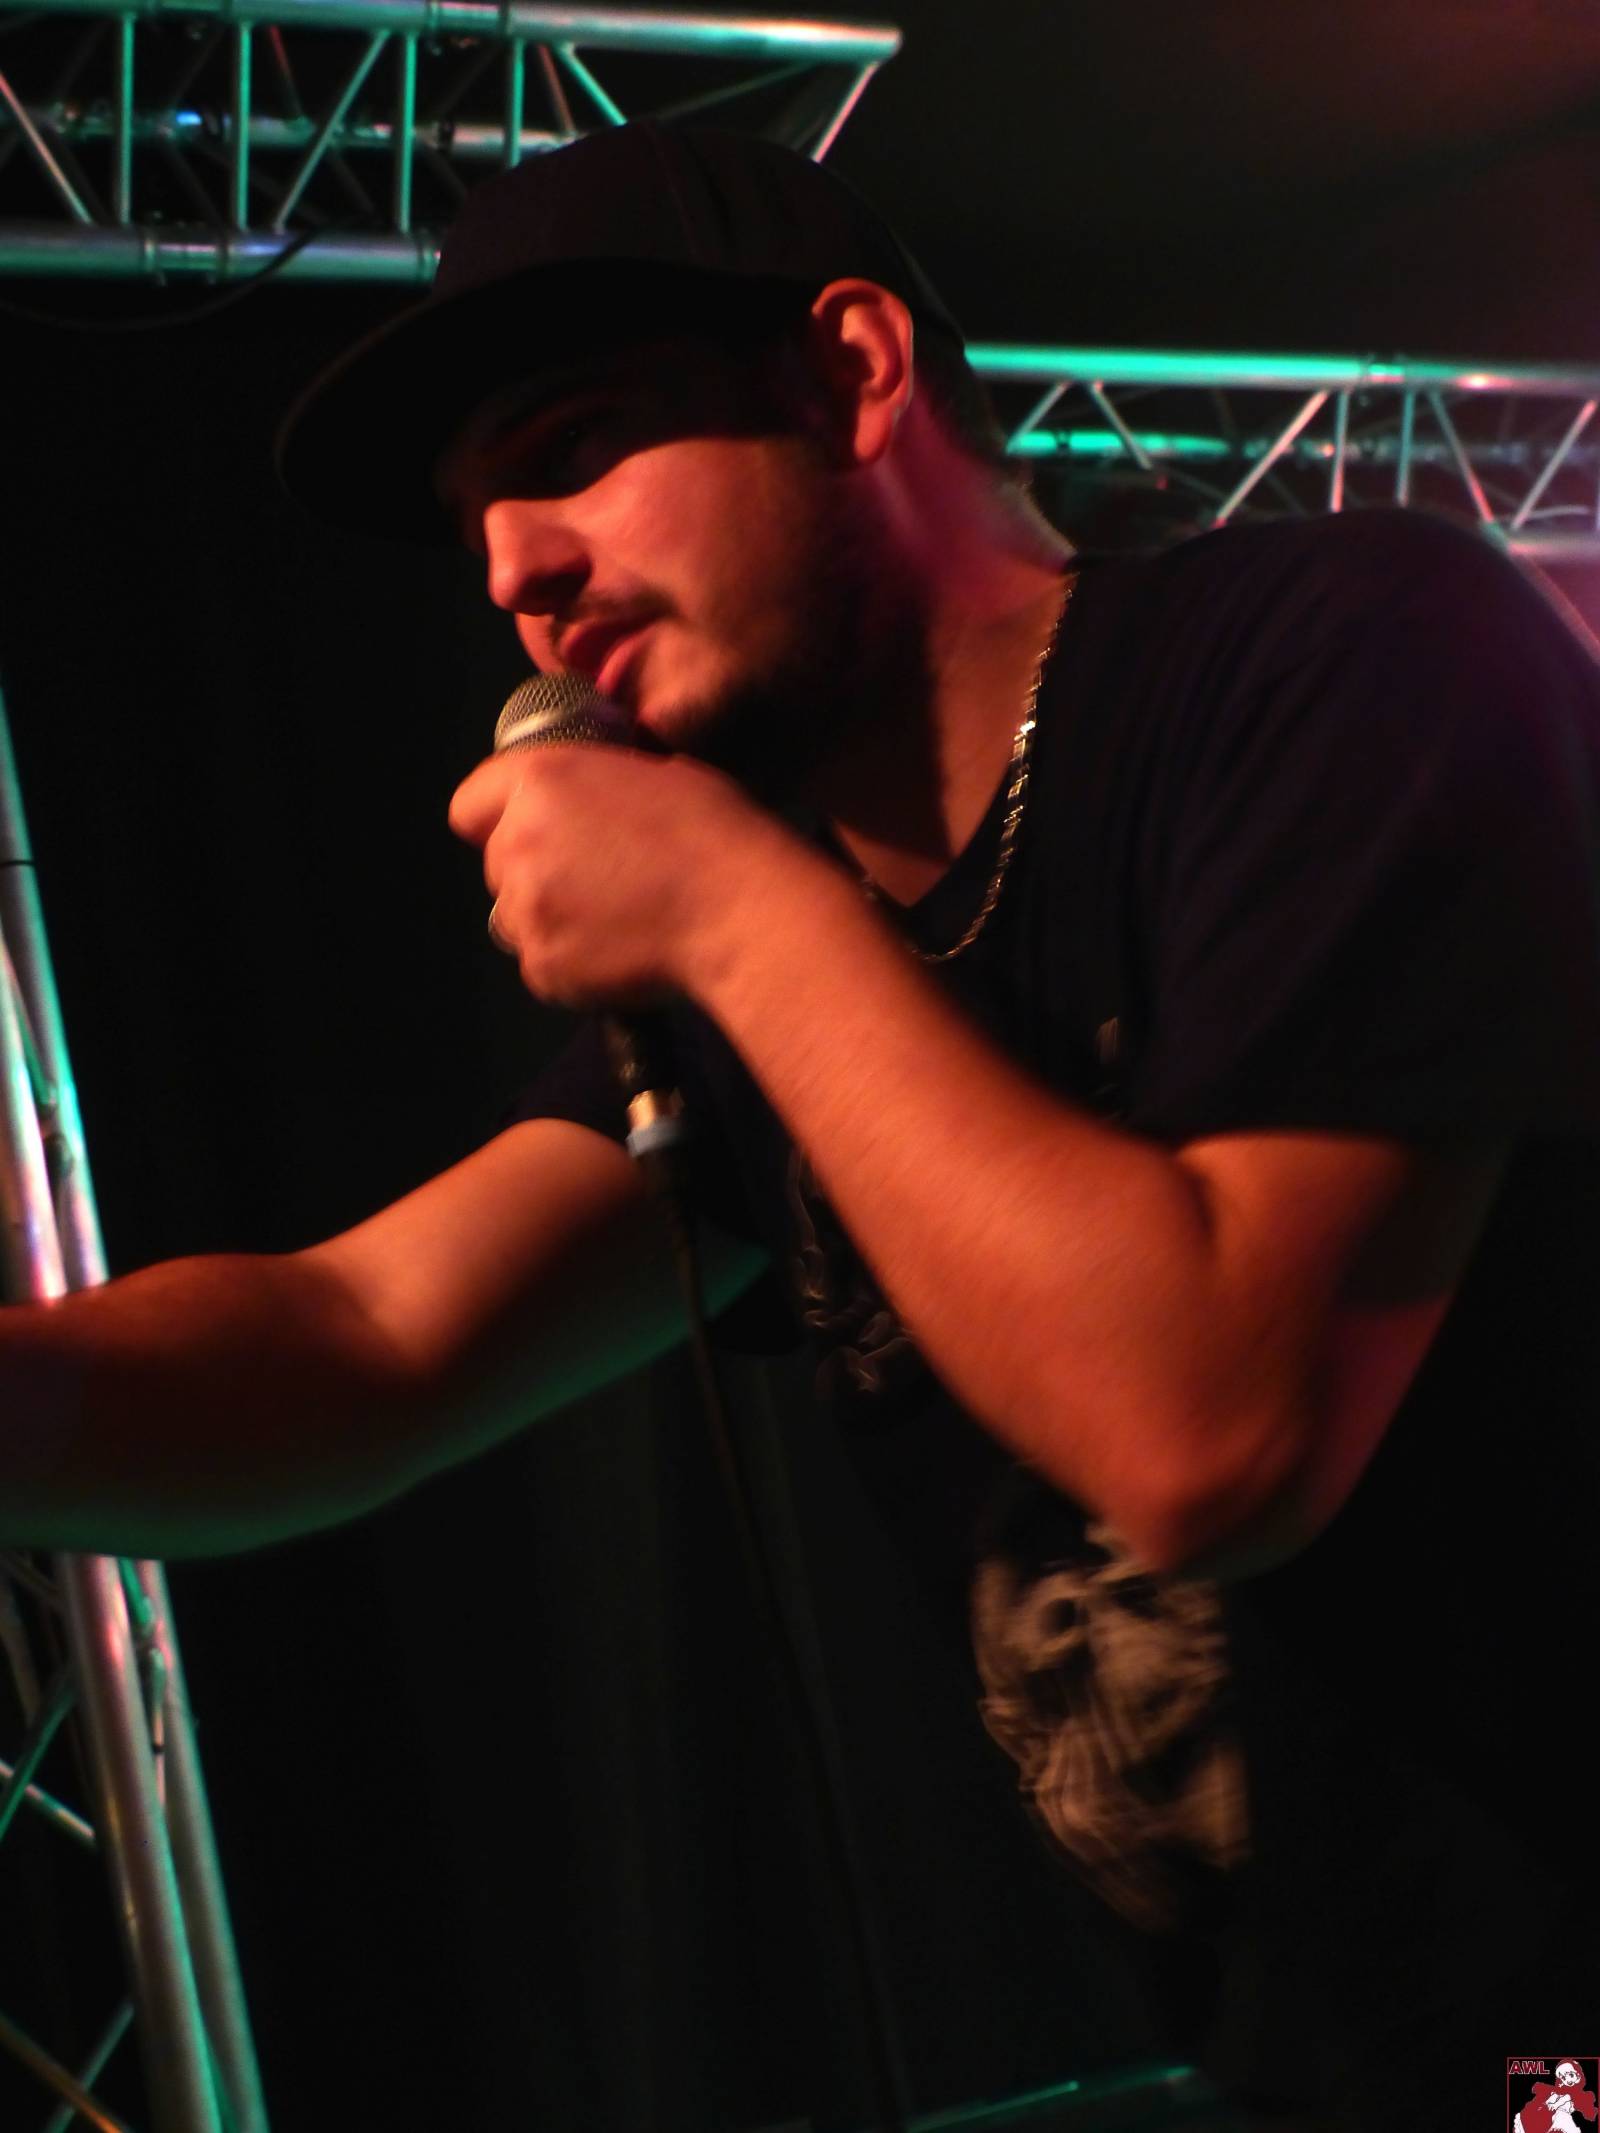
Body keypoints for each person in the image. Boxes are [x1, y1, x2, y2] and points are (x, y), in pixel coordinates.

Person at [5, 121, 1599, 2127]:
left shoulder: (1341, 652)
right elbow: (364, 1336)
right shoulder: (785, 949)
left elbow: (1218, 1427)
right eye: (479, 516)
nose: (511, 569)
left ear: (852, 372)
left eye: (574, 445)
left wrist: (731, 913)